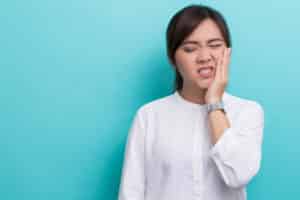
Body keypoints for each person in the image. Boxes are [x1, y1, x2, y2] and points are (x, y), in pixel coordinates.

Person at [118, 4, 265, 200]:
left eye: (214, 45)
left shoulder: (247, 112)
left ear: (228, 52)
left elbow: (237, 175)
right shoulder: (149, 116)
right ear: (172, 58)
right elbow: (130, 193)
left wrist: (214, 102)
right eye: (190, 49)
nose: (205, 57)